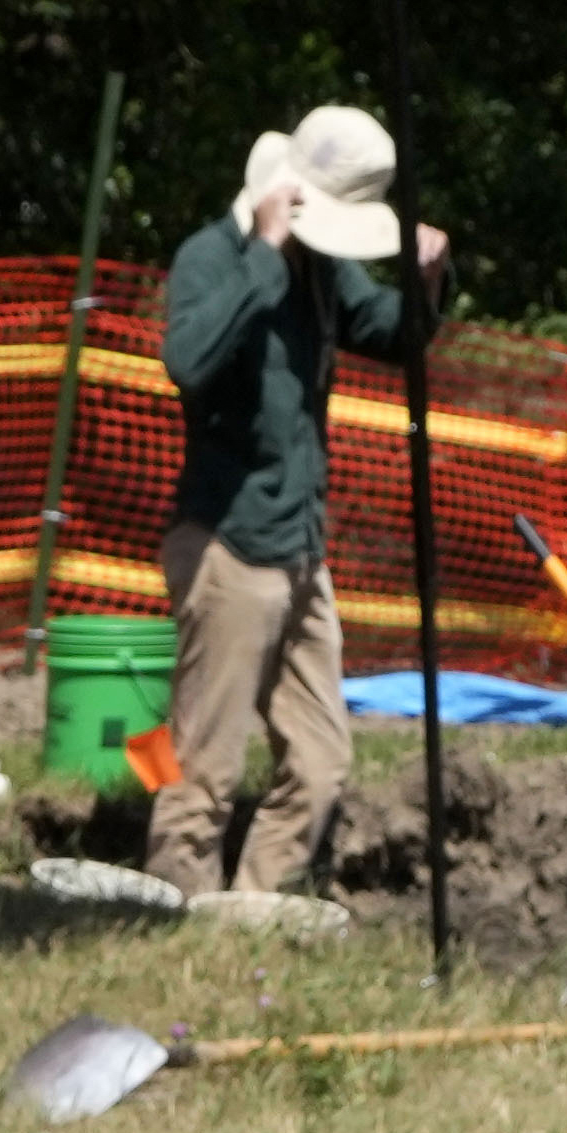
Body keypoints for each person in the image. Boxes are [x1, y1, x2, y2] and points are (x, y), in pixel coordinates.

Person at [140, 105, 447, 920]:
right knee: (201, 762)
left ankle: (248, 914)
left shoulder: (321, 269)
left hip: (302, 550)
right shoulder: (214, 258)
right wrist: (263, 256)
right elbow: (186, 359)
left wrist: (422, 281)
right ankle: (171, 908)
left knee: (318, 762)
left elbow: (388, 334)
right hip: (228, 545)